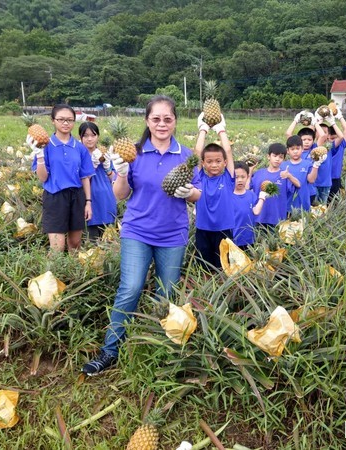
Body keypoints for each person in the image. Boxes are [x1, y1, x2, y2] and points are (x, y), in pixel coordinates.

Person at [82, 95, 201, 376]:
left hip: (173, 233)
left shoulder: (185, 155)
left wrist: (191, 193)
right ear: (147, 121)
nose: (162, 124)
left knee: (167, 294)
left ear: (175, 122)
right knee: (131, 287)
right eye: (156, 119)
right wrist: (121, 173)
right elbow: (120, 195)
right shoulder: (133, 152)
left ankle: (159, 347)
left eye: (167, 119)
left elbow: (198, 193)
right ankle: (110, 350)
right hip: (137, 230)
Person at [28, 104, 95, 252]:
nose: (66, 123)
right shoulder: (45, 145)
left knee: (75, 243)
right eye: (61, 119)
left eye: (70, 120)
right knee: (57, 246)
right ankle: (53, 273)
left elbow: (85, 177)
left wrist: (88, 202)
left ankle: (74, 274)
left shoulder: (79, 147)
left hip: (77, 196)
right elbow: (43, 178)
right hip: (55, 196)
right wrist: (39, 155)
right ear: (53, 121)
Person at [192, 113, 235, 271]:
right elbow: (197, 152)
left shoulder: (228, 178)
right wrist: (203, 129)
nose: (214, 165)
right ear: (203, 163)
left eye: (218, 161)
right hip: (202, 228)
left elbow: (228, 151)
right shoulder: (200, 177)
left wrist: (221, 130)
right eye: (209, 161)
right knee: (204, 264)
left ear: (224, 163)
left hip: (224, 229)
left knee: (223, 265)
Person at [78, 122, 117, 241]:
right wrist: (92, 166)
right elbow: (80, 181)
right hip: (90, 202)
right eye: (85, 135)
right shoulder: (78, 155)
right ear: (80, 137)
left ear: (98, 136)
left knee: (109, 241)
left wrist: (108, 168)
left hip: (107, 200)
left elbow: (114, 179)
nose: (90, 139)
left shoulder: (104, 153)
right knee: (91, 242)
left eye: (93, 135)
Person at [250, 143, 299, 229]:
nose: (277, 159)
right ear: (268, 156)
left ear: (283, 159)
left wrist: (289, 176)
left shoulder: (284, 175)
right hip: (259, 216)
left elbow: (298, 185)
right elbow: (247, 188)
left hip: (277, 218)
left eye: (281, 157)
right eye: (275, 156)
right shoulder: (259, 173)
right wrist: (250, 171)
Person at [281, 135, 325, 211]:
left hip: (303, 202)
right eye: (292, 149)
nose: (295, 151)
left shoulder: (308, 164)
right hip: (287, 204)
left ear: (302, 149)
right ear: (288, 151)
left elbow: (311, 180)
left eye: (297, 148)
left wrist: (316, 165)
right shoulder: (283, 165)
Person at [316, 108, 346, 203]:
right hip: (323, 179)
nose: (330, 139)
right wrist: (318, 121)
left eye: (333, 138)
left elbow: (345, 130)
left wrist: (339, 117)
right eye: (329, 137)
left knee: (333, 202)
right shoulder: (321, 147)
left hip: (335, 178)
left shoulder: (339, 145)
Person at [232, 161, 267, 249]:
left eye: (243, 177)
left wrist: (262, 197)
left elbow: (256, 211)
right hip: (232, 239)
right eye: (236, 177)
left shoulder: (251, 195)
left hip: (249, 239)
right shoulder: (227, 195)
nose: (240, 180)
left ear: (248, 177)